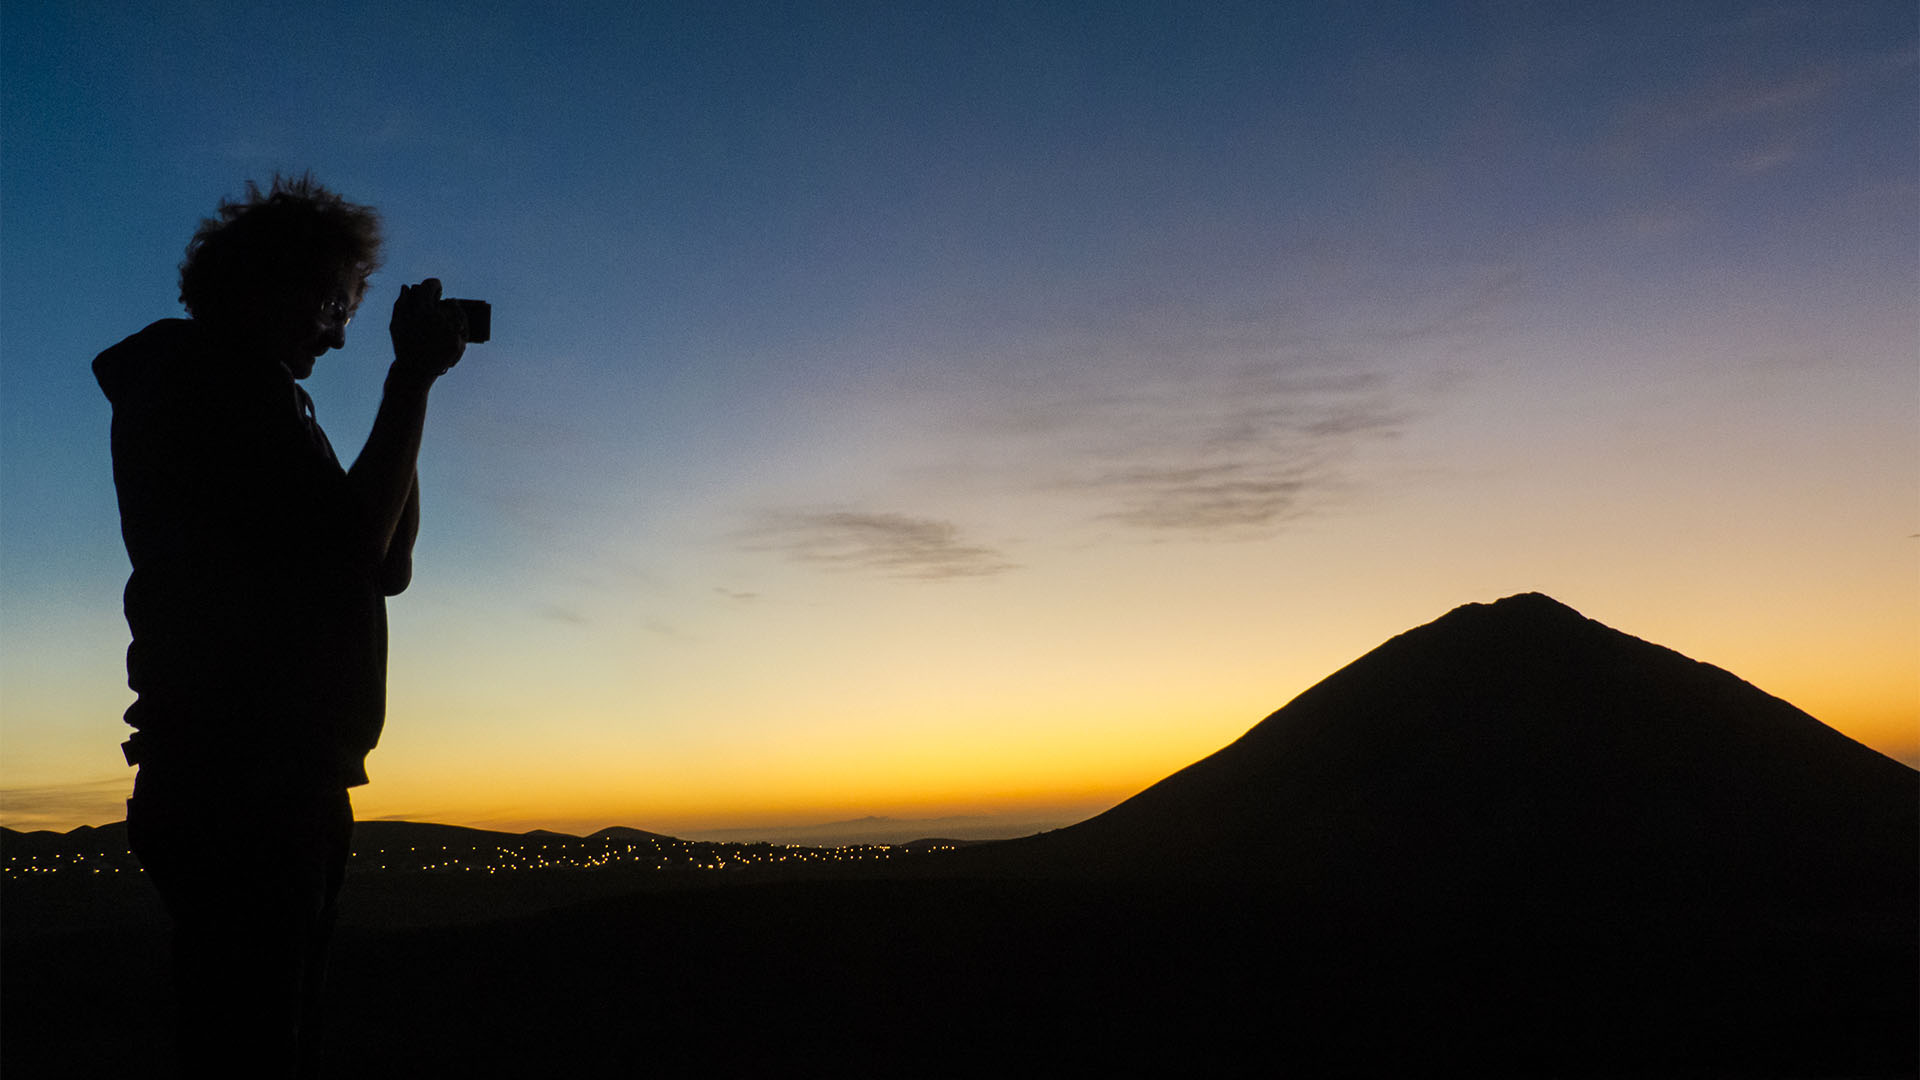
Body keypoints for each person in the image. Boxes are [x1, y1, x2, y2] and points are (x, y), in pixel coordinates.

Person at [93, 174, 467, 1079]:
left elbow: (383, 566)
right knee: (250, 1046)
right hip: (242, 783)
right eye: (336, 303)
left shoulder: (256, 399)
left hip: (266, 776)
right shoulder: (208, 390)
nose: (341, 332)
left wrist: (405, 393)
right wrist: (408, 378)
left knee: (265, 1034)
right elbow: (348, 554)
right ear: (278, 286)